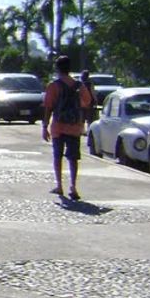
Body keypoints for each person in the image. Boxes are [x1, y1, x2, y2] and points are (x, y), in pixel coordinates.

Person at [42, 55, 93, 201]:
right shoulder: (79, 85)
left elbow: (48, 107)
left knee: (58, 156)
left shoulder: (54, 85)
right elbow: (87, 102)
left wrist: (45, 126)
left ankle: (59, 185)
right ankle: (73, 187)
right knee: (73, 158)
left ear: (57, 68)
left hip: (58, 126)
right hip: (75, 126)